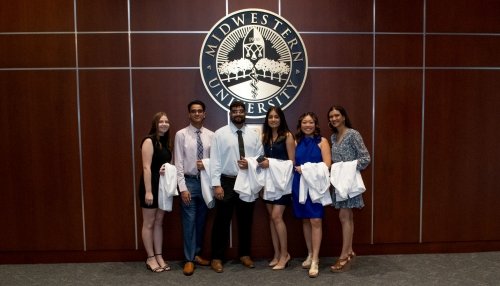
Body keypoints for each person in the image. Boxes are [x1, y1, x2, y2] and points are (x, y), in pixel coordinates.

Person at [209, 101, 264, 273]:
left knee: (246, 220)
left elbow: (261, 157)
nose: (238, 113)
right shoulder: (220, 134)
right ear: (230, 113)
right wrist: (216, 184)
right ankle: (217, 257)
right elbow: (215, 161)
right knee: (221, 221)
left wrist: (251, 164)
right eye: (235, 111)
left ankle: (244, 254)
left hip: (247, 179)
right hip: (226, 181)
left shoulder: (254, 135)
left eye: (241, 111)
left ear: (245, 113)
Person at [327, 105, 370, 272]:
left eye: (337, 115)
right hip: (338, 183)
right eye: (331, 116)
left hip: (349, 182)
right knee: (347, 217)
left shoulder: (353, 134)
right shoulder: (332, 137)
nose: (334, 118)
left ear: (344, 117)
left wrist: (347, 167)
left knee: (344, 216)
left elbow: (366, 158)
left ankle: (344, 256)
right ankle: (350, 251)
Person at [174, 100, 214, 276]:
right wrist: (182, 188)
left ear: (204, 114)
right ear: (189, 114)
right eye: (193, 111)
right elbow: (178, 163)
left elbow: (216, 161)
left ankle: (196, 254)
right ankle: (189, 259)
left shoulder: (212, 135)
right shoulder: (180, 135)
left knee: (201, 221)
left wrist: (207, 165)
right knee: (189, 222)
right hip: (189, 182)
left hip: (205, 182)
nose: (197, 114)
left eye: (200, 111)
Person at [292, 112, 332, 278]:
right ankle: (309, 254)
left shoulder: (322, 142)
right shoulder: (296, 141)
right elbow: (293, 163)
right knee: (306, 219)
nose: (308, 125)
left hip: (316, 186)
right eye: (304, 122)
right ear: (300, 125)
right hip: (299, 184)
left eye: (311, 122)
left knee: (316, 219)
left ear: (316, 124)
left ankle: (315, 259)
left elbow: (327, 164)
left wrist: (306, 168)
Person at [259, 107, 295, 270]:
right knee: (271, 218)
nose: (273, 119)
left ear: (281, 119)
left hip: (282, 183)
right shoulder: (264, 137)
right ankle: (276, 254)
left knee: (277, 216)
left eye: (276, 117)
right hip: (268, 183)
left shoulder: (287, 136)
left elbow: (292, 163)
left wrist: (271, 164)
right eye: (270, 117)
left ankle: (284, 255)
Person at [139, 112, 172, 273]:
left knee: (159, 222)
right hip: (150, 186)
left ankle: (159, 256)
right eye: (161, 121)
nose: (164, 124)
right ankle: (150, 257)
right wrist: (148, 191)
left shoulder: (166, 143)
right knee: (149, 223)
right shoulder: (148, 140)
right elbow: (146, 167)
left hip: (163, 187)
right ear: (155, 124)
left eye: (166, 121)